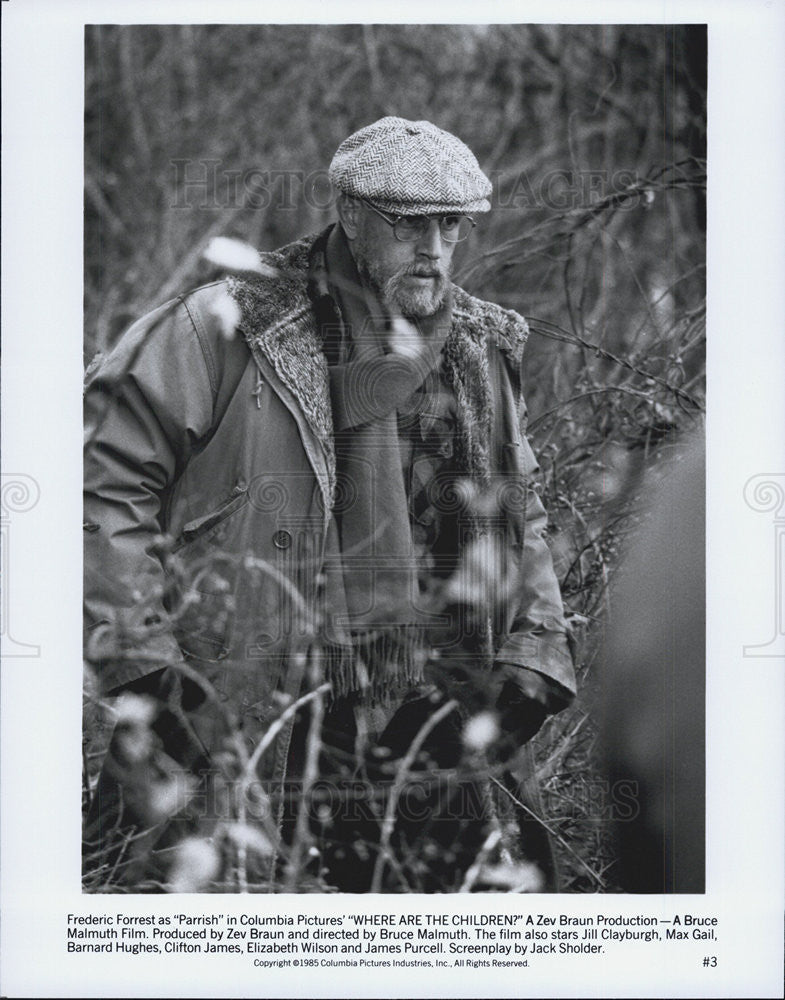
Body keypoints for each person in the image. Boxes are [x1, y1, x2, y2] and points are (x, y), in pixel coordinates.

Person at [83, 117, 576, 892]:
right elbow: (102, 480)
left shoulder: (479, 347)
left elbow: (521, 507)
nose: (436, 250)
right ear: (348, 214)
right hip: (259, 707)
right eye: (409, 225)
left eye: (451, 226)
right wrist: (146, 666)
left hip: (440, 719)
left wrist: (534, 654)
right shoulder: (231, 324)